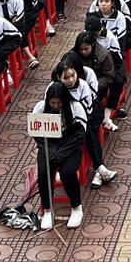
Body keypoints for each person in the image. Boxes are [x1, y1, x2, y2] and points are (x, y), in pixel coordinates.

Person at [31, 79, 84, 230]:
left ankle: (76, 208)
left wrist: (62, 152)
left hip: (71, 147)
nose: (55, 106)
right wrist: (50, 151)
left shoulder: (76, 108)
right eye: (52, 103)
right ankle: (48, 210)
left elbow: (79, 136)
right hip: (48, 147)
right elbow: (37, 135)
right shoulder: (40, 108)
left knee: (67, 173)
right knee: (43, 174)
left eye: (58, 103)